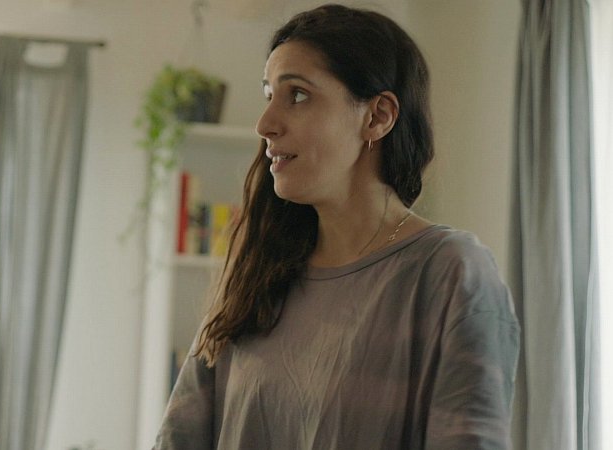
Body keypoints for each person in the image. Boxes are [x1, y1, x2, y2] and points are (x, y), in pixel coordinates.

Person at [153, 4, 519, 450]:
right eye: (269, 95)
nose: (265, 124)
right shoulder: (254, 277)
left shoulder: (450, 273)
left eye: (297, 95)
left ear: (377, 117)